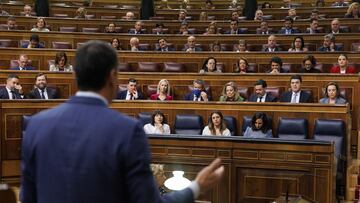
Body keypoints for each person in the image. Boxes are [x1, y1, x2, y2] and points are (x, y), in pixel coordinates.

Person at [21, 40, 224, 203]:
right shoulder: (127, 130)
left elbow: (27, 197)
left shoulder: (36, 125)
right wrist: (196, 186)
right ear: (113, 77)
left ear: (75, 76)